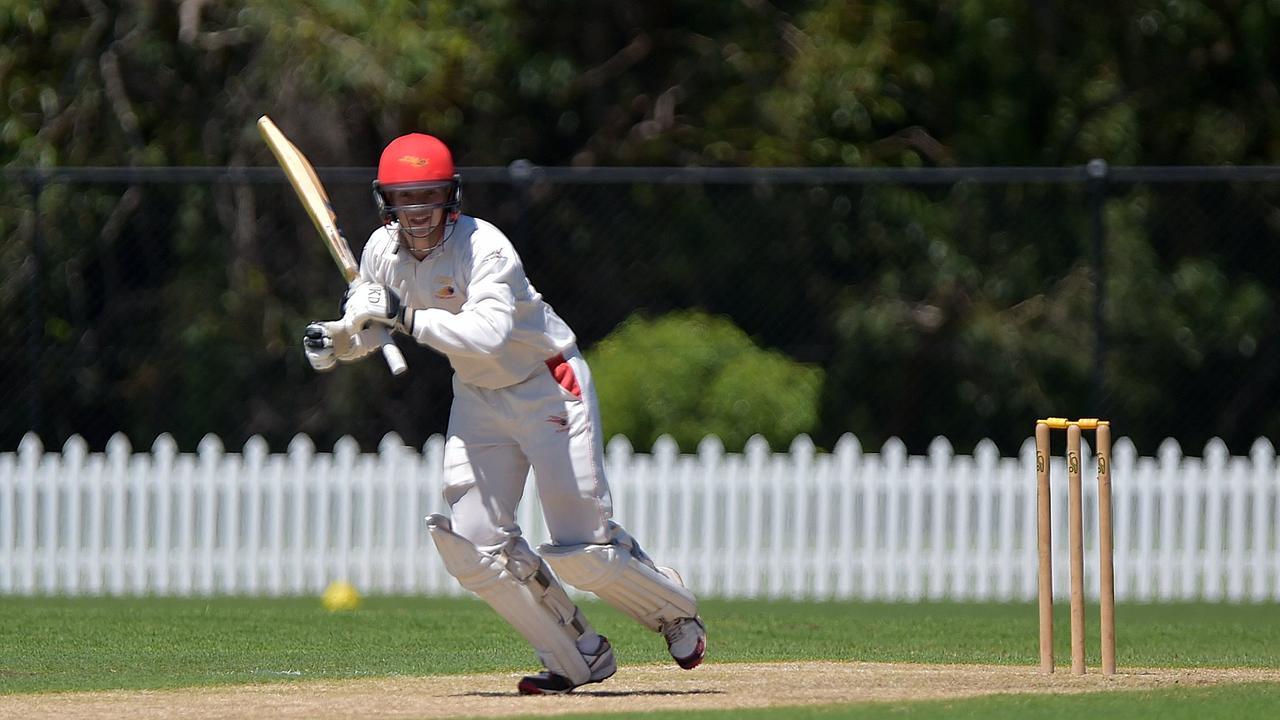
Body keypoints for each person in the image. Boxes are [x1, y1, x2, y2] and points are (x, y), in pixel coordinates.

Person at [301, 133, 706, 695]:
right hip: (478, 398)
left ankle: (674, 609)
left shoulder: (485, 248)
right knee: (474, 545)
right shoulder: (379, 251)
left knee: (581, 550)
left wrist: (403, 316)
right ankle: (578, 654)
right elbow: (367, 326)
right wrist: (335, 342)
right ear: (386, 201)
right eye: (404, 198)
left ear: (451, 196)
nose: (417, 212)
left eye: (428, 196)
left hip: (547, 385)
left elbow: (487, 336)